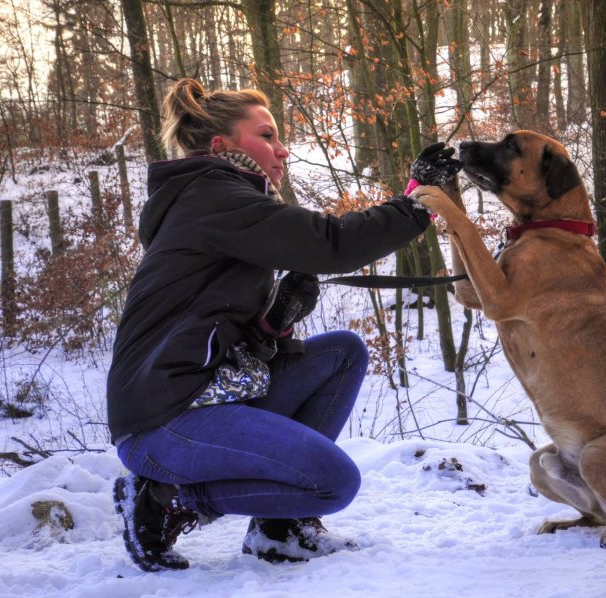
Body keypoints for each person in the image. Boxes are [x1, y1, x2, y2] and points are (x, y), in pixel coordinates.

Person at [106, 77, 461, 572]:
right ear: (221, 146)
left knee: (341, 353)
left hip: (203, 394)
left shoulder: (214, 199)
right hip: (165, 418)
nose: (283, 150)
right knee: (332, 483)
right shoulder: (212, 196)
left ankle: (279, 530)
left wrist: (271, 325)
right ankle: (165, 500)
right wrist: (415, 202)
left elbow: (209, 328)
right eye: (267, 135)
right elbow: (330, 242)